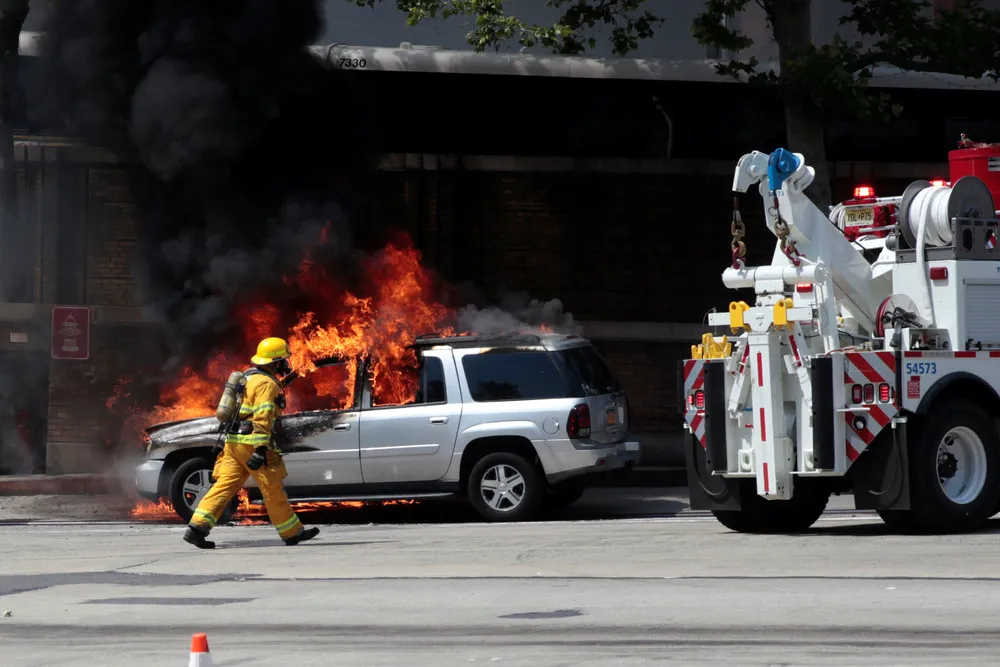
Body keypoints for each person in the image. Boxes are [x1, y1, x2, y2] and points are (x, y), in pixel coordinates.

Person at [183, 337, 320, 549]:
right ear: (274, 362)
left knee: (223, 488)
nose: (286, 364)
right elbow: (262, 418)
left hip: (233, 444)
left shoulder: (248, 377)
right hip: (251, 444)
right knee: (272, 489)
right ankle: (292, 533)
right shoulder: (266, 385)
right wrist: (260, 451)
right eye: (283, 360)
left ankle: (196, 529)